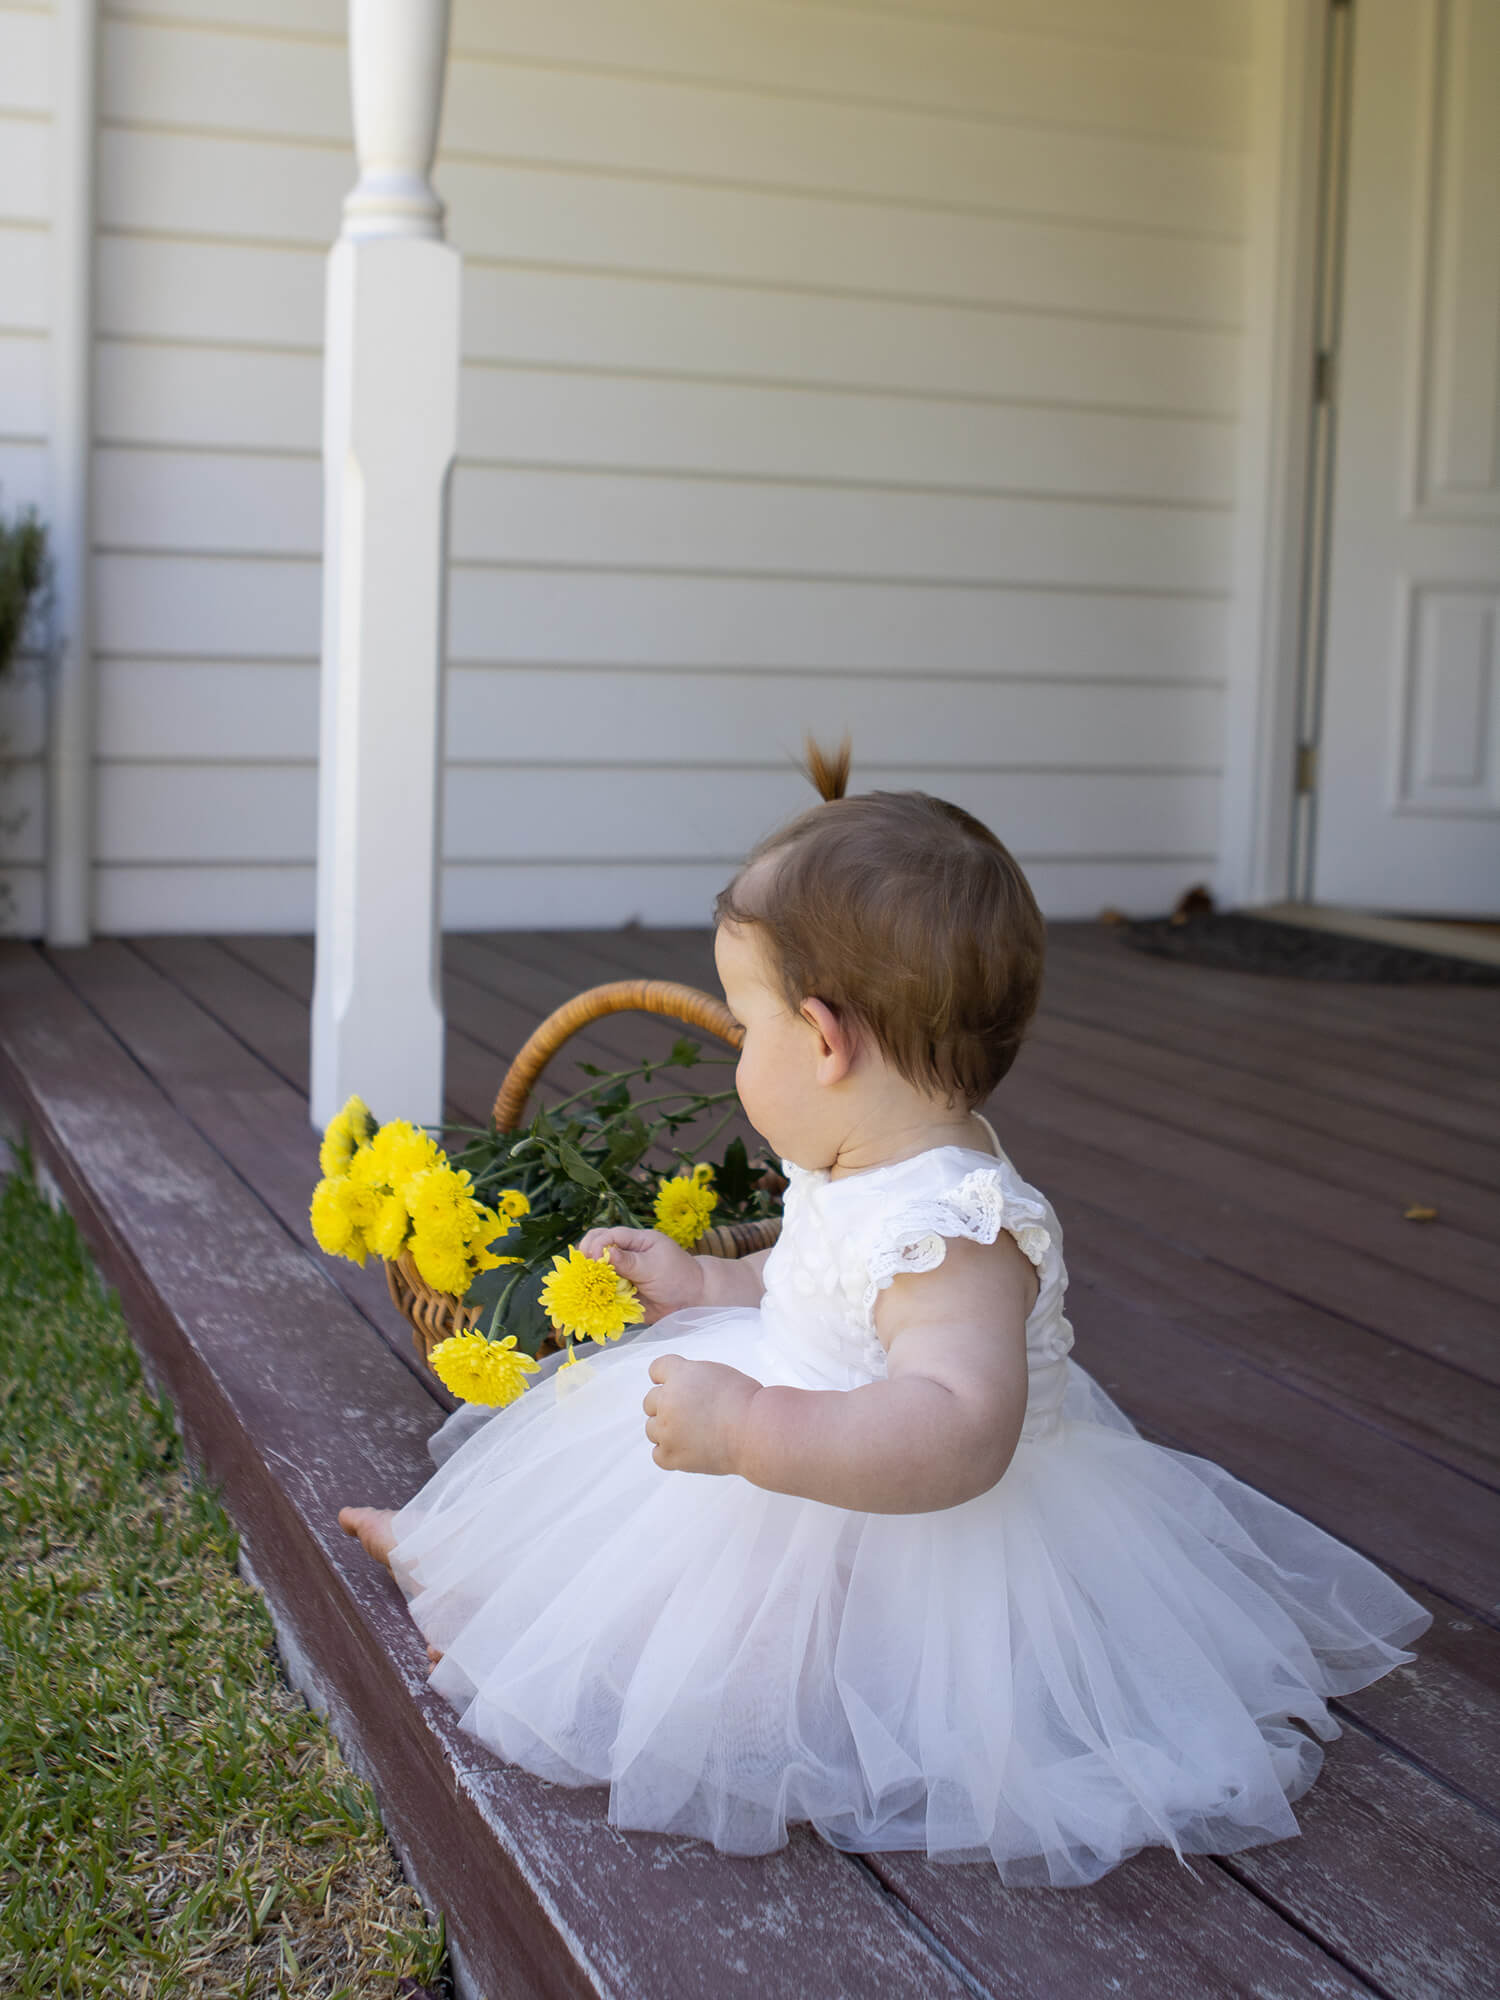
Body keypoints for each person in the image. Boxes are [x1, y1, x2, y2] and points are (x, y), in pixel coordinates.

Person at [339, 744, 1429, 1887]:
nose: (745, 1050)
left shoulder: (956, 1226)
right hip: (796, 1427)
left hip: (907, 1527)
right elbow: (815, 1277)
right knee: (611, 1510)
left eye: (750, 1026)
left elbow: (960, 1425)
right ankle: (477, 1579)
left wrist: (756, 1430)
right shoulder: (861, 1160)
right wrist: (709, 1285)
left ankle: (559, 1665)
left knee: (763, 1633)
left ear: (822, 1039)